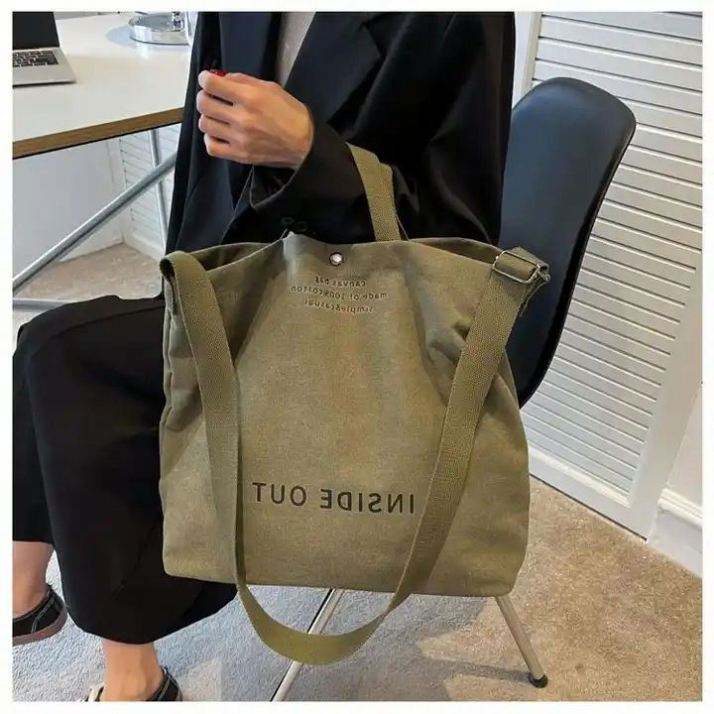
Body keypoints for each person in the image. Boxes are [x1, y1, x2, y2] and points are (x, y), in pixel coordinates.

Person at [13, 11, 515, 701]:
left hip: (358, 329)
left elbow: (461, 243)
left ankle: (132, 676)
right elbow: (204, 163)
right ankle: (25, 593)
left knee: (63, 356)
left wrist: (312, 151)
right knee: (48, 348)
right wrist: (180, 299)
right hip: (235, 285)